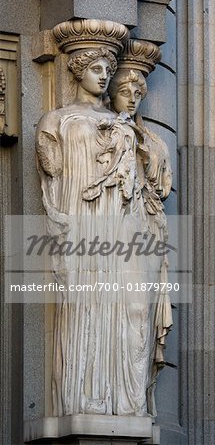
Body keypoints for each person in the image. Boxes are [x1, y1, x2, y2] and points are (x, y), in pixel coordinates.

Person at [36, 46, 159, 417]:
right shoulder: (55, 121)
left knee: (133, 308)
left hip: (121, 227)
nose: (104, 75)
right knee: (81, 309)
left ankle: (124, 402)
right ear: (78, 71)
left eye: (108, 69)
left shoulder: (125, 123)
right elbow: (52, 177)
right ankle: (81, 400)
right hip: (81, 227)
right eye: (95, 68)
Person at [108, 45, 173, 415]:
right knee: (118, 312)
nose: (132, 98)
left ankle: (136, 399)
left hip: (148, 234)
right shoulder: (105, 134)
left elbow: (161, 191)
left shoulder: (156, 143)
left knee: (142, 314)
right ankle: (118, 397)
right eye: (124, 91)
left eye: (138, 93)